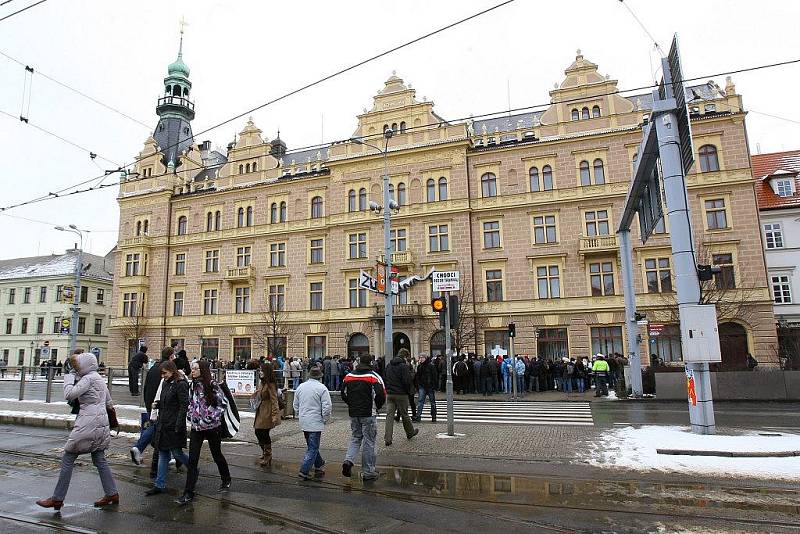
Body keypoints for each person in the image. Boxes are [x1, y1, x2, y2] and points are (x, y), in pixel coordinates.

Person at [36, 350, 118, 510]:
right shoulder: (99, 379)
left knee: (68, 458)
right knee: (99, 459)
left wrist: (68, 376)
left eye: (77, 365)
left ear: (84, 366)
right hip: (101, 422)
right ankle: (112, 493)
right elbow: (109, 402)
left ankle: (57, 498)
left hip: (88, 422)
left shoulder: (87, 379)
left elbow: (69, 394)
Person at [176, 360, 231, 505]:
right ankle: (188, 492)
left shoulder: (212, 385)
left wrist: (208, 418)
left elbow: (222, 404)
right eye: (192, 369)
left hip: (212, 428)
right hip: (197, 428)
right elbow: (191, 403)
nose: (192, 371)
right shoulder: (192, 385)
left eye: (195, 369)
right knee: (193, 460)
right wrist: (190, 415)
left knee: (216, 454)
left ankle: (226, 479)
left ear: (203, 370)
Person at [145, 360, 190, 496]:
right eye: (161, 373)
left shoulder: (180, 384)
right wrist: (157, 405)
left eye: (164, 373)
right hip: (164, 424)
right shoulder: (166, 383)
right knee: (163, 454)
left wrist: (179, 423)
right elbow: (166, 401)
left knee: (176, 453)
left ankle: (193, 469)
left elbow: (184, 405)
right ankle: (159, 484)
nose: (162, 376)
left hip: (174, 425)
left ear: (172, 371)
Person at [340, 354, 386, 481]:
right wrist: (377, 406)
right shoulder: (373, 376)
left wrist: (351, 404)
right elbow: (381, 394)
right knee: (369, 441)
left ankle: (348, 461)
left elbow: (342, 393)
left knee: (355, 437)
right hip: (368, 413)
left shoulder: (349, 376)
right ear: (371, 362)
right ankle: (368, 471)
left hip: (354, 412)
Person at [130, 346, 174, 475]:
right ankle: (139, 448)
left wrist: (148, 403)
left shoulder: (154, 367)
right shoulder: (167, 369)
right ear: (171, 356)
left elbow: (146, 385)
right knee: (157, 428)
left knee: (157, 428)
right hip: (160, 405)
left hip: (151, 402)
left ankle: (168, 456)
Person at [293, 366, 332, 480]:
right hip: (315, 421)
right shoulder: (322, 388)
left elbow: (296, 405)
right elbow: (327, 406)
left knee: (311, 445)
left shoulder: (301, 387)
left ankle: (319, 464)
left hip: (304, 420)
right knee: (313, 447)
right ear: (320, 377)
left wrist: (300, 414)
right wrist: (325, 418)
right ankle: (304, 470)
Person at [383, 348, 419, 446]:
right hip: (401, 394)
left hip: (390, 394)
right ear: (405, 356)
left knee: (389, 416)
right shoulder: (403, 366)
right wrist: (409, 391)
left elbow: (385, 378)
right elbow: (406, 381)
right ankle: (410, 432)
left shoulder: (389, 365)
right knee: (404, 414)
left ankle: (388, 438)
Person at [254, 361, 281, 467]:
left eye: (262, 370)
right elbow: (261, 393)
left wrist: (275, 415)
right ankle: (265, 452)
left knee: (263, 433)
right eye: (260, 370)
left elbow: (274, 400)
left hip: (267, 412)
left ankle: (267, 454)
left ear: (267, 372)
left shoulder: (270, 384)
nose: (260, 372)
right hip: (261, 410)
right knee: (258, 432)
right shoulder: (263, 382)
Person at [414, 354, 438, 422]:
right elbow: (417, 376)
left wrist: (434, 386)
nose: (421, 359)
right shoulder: (419, 366)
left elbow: (435, 376)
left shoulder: (431, 366)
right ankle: (418, 416)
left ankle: (433, 416)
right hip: (422, 386)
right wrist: (418, 385)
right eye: (420, 357)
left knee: (432, 402)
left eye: (422, 357)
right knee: (420, 401)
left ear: (425, 358)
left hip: (430, 386)